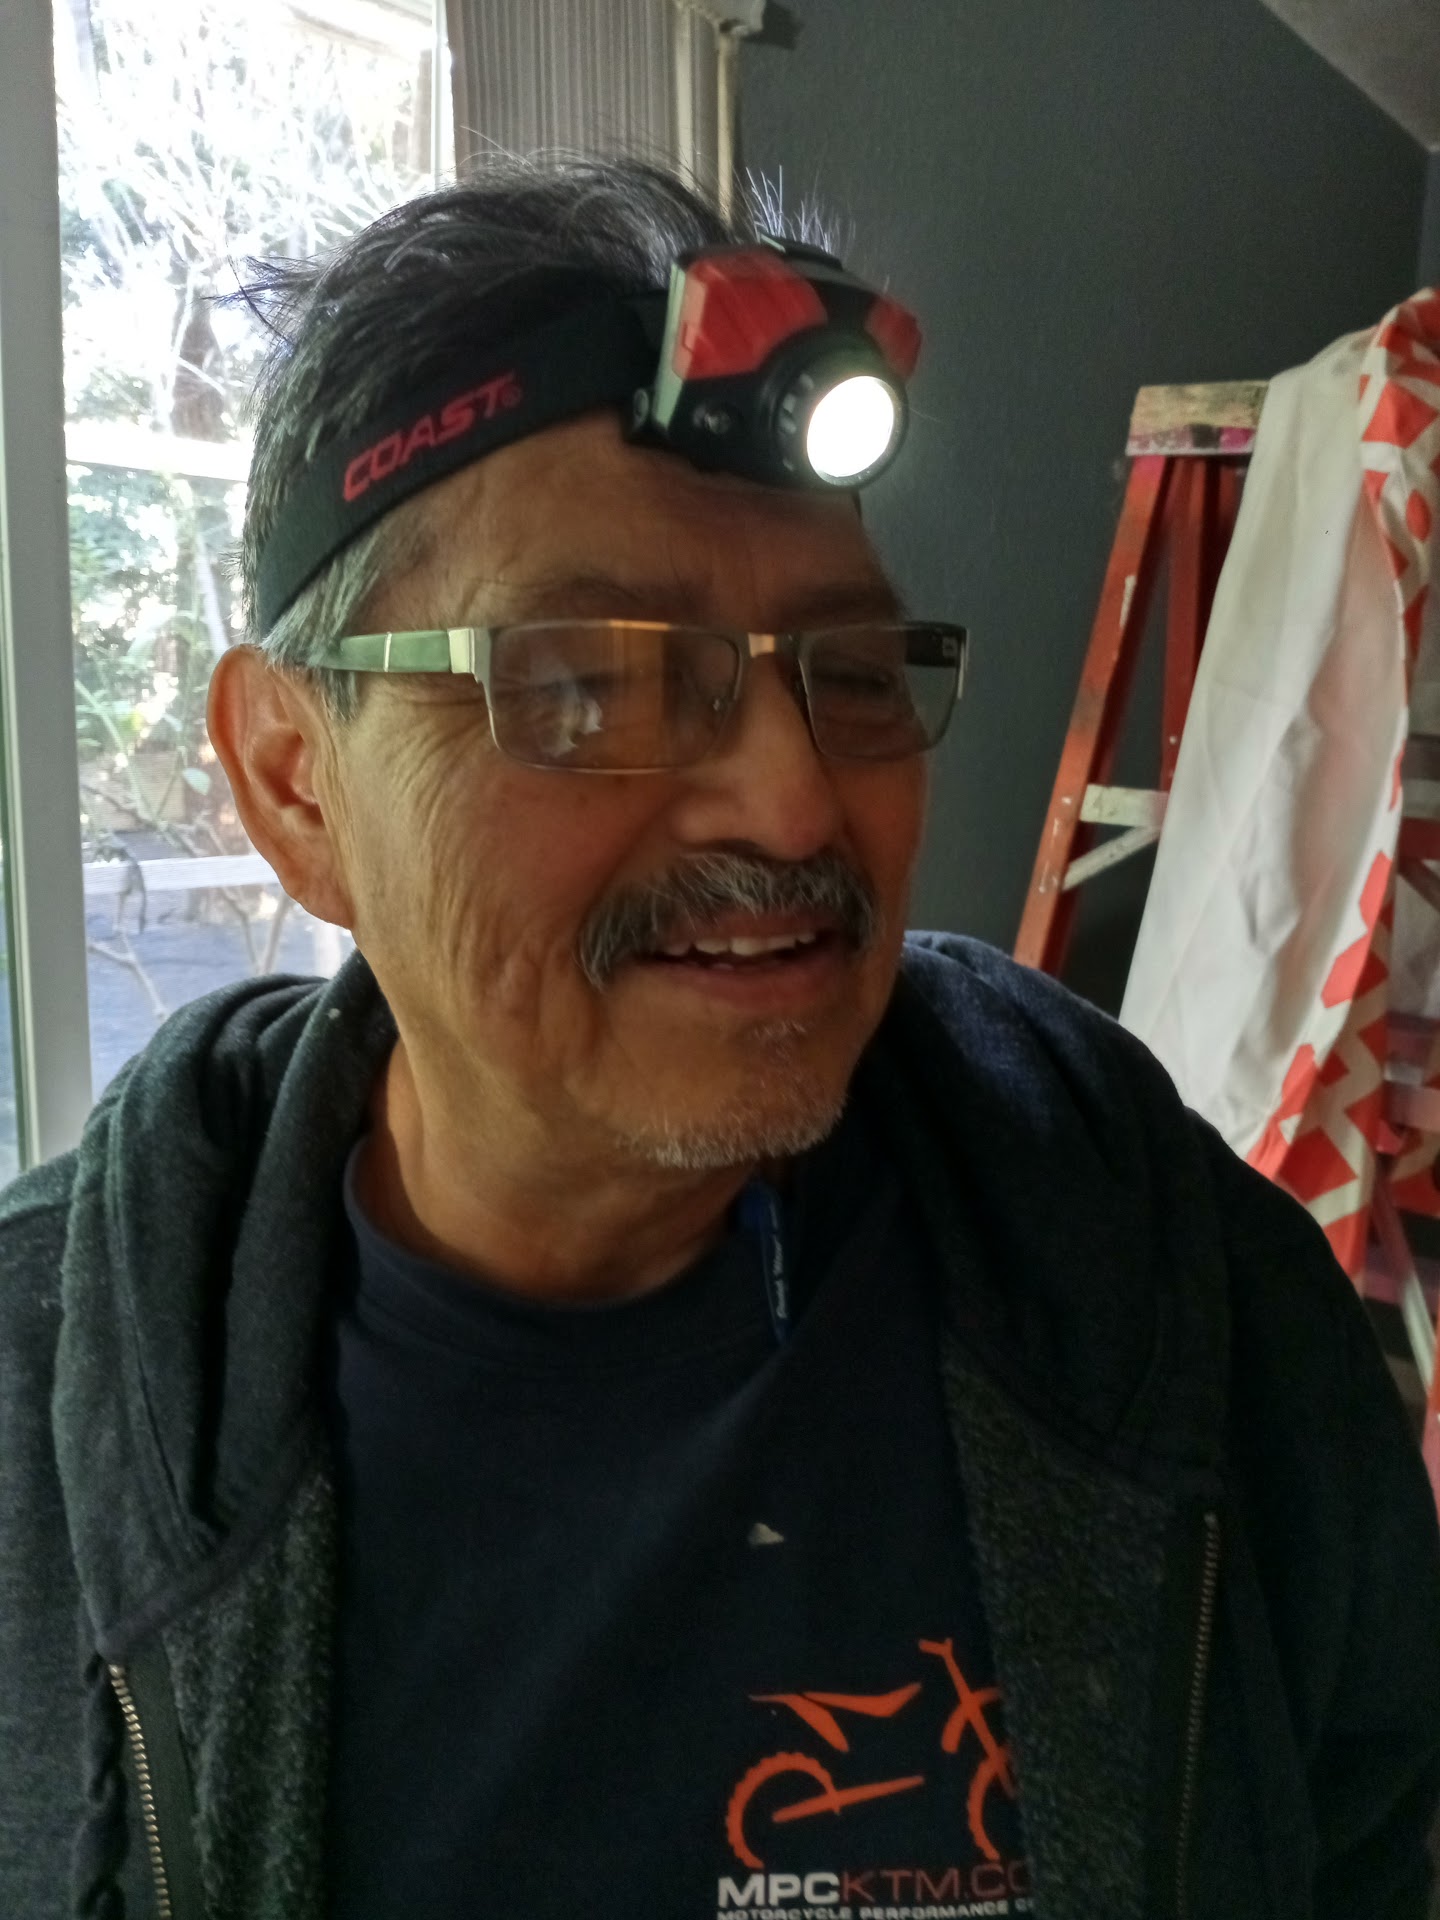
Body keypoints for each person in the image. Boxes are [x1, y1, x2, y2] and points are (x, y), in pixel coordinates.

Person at [2, 155, 1437, 1920]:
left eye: (854, 676)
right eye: (584, 685)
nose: (793, 801)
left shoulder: (1192, 1307)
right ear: (297, 782)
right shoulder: (37, 1426)